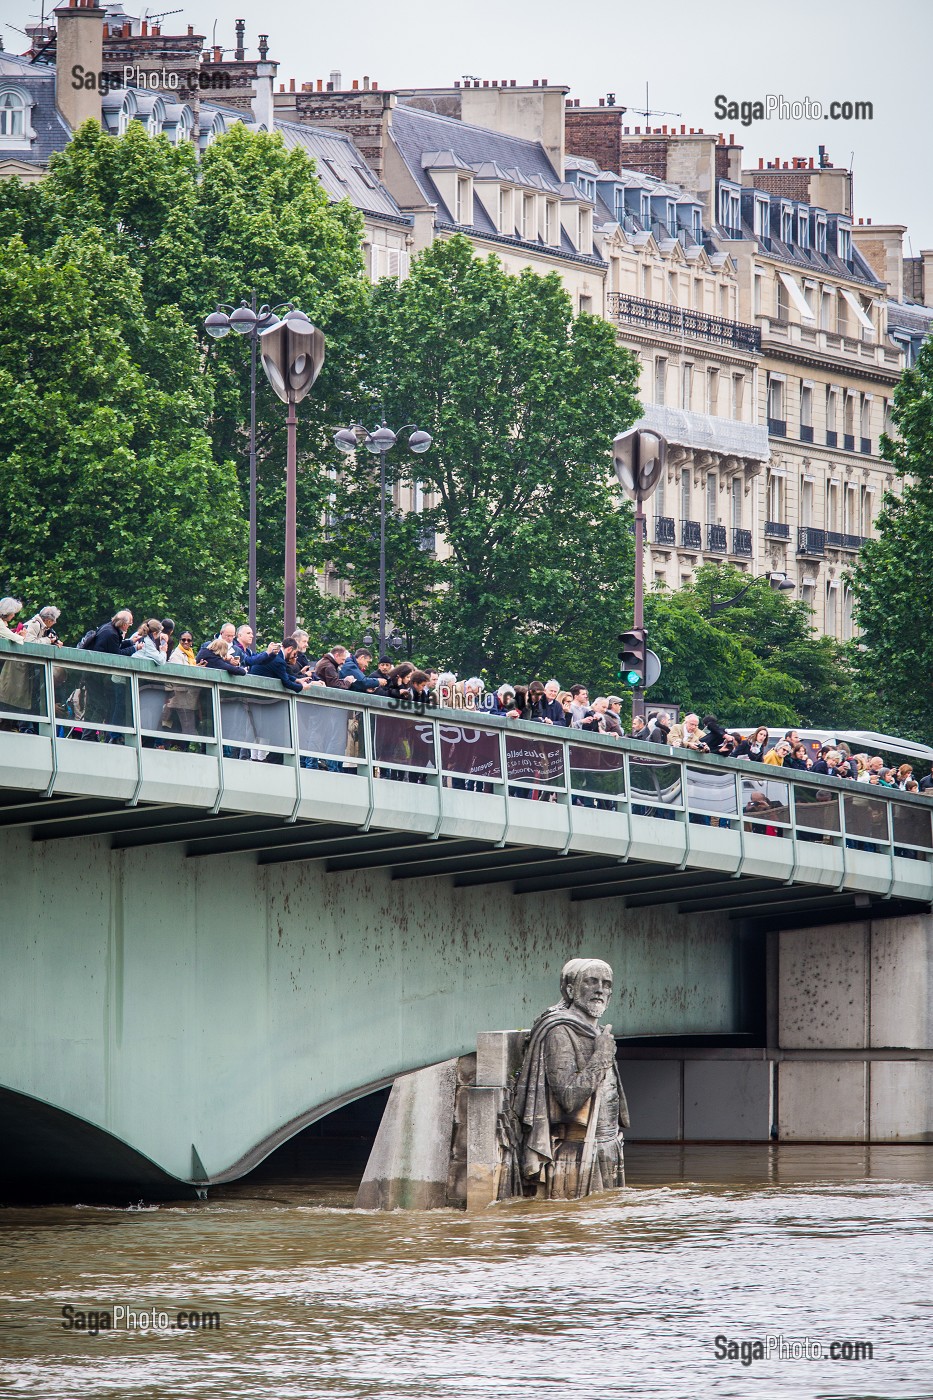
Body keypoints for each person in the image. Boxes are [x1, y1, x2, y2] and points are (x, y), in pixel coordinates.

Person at [511, 958, 628, 1200]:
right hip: (577, 1152)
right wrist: (602, 1056)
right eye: (591, 982)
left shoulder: (598, 1032)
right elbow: (568, 1097)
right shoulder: (560, 1032)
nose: (600, 990)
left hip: (608, 1147)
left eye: (606, 984)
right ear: (570, 989)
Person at [249, 639, 313, 692]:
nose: (295, 656)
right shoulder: (279, 661)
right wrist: (302, 687)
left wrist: (297, 680)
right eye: (294, 654)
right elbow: (286, 682)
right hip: (259, 691)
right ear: (289, 649)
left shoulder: (275, 655)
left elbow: (283, 673)